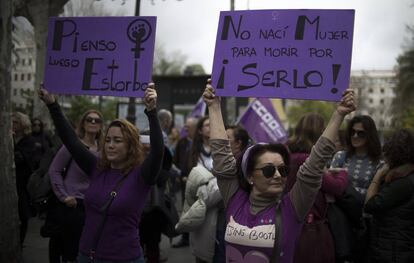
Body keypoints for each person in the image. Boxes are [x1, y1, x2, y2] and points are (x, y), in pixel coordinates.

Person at [203, 79, 355, 263]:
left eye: (283, 170)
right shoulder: (234, 198)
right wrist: (214, 106)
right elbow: (221, 155)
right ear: (250, 176)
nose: (277, 175)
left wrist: (339, 114)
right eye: (268, 170)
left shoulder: (292, 208)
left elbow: (315, 165)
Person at [38, 84, 163, 263]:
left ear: (130, 147)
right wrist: (52, 104)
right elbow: (72, 141)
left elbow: (158, 151)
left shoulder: (141, 176)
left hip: (124, 258)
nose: (110, 145)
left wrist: (151, 111)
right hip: (86, 256)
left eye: (117, 140)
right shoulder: (97, 168)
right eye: (108, 140)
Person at [285, 113, 348, 263]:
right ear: (320, 133)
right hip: (309, 228)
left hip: (289, 226)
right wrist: (343, 174)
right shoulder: (307, 161)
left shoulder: (288, 156)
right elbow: (336, 187)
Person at [47, 109, 104, 263]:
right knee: (70, 252)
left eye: (97, 120)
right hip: (73, 206)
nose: (93, 122)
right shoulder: (72, 146)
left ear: (101, 126)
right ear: (83, 124)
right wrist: (64, 196)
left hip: (93, 208)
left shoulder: (104, 150)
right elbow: (54, 170)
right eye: (89, 119)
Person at [365, 129, 414, 263]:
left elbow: (370, 205)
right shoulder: (404, 175)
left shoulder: (403, 182)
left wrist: (378, 176)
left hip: (393, 250)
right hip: (395, 247)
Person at [330, 115, 382, 196]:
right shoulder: (340, 156)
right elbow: (331, 185)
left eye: (361, 133)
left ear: (370, 135)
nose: (355, 136)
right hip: (338, 206)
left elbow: (377, 193)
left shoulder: (379, 162)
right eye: (352, 132)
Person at [13, 112, 41, 246]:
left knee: (22, 216)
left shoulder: (29, 141)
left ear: (23, 125)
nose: (13, 125)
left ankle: (19, 244)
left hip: (23, 184)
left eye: (16, 122)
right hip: (11, 182)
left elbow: (22, 159)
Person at [172, 116, 198, 248]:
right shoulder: (182, 143)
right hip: (184, 183)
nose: (185, 129)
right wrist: (180, 174)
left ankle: (199, 238)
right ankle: (185, 238)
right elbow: (175, 161)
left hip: (199, 183)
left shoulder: (200, 143)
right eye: (185, 127)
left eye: (188, 127)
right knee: (186, 211)